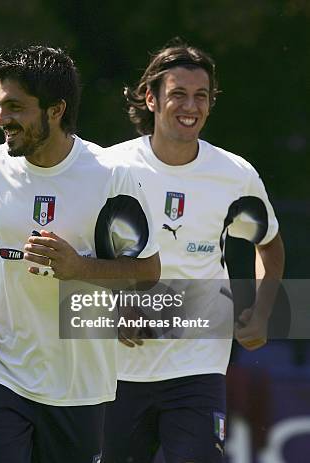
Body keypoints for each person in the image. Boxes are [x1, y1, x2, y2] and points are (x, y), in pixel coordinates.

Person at [0, 45, 161, 463]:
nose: (1, 119)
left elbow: (148, 270)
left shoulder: (111, 176)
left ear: (56, 110)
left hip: (78, 381)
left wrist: (79, 267)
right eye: (0, 105)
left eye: (15, 107)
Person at [102, 39, 285, 462]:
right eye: (178, 94)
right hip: (116, 369)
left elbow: (269, 244)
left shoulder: (234, 175)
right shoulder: (108, 169)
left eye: (201, 96)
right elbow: (73, 254)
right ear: (150, 98)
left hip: (197, 364)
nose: (191, 106)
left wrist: (262, 311)